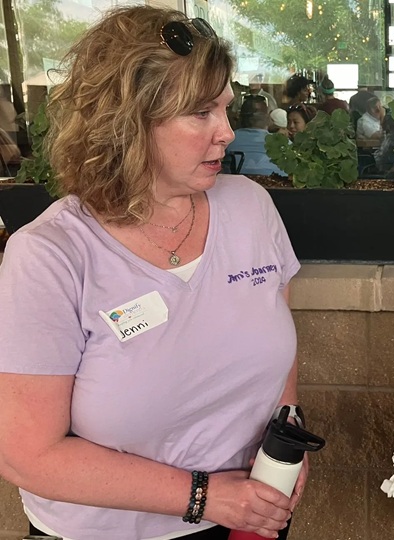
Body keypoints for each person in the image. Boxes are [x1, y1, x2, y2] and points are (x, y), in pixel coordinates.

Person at [0, 7, 307, 540]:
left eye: (226, 109)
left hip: (249, 517)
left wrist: (287, 439)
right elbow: (27, 457)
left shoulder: (251, 207)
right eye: (201, 113)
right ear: (127, 121)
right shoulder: (50, 256)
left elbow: (276, 344)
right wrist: (206, 498)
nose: (228, 133)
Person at [227, 95, 287, 177]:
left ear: (240, 117)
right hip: (278, 187)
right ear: (267, 119)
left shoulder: (228, 139)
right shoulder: (283, 142)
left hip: (237, 186)